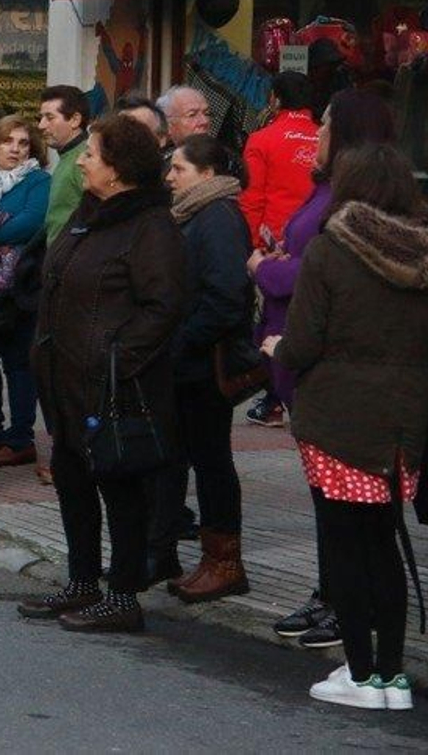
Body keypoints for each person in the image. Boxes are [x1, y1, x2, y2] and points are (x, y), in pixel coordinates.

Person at [265, 144, 428, 711]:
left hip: (337, 419)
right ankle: (392, 677)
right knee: (386, 545)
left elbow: (305, 341)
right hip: (404, 424)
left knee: (344, 549)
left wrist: (276, 347)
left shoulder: (331, 251)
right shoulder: (425, 253)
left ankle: (358, 672)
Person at [20, 114, 186, 633]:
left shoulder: (151, 227)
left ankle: (124, 595)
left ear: (116, 169)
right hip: (64, 376)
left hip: (114, 384)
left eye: (92, 154)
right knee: (72, 479)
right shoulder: (90, 214)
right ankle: (82, 581)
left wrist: (114, 358)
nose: (83, 162)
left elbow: (164, 306)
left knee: (120, 488)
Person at [251, 87, 397, 648]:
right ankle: (332, 593)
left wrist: (264, 268)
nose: (317, 134)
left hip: (338, 375)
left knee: (355, 509)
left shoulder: (358, 202)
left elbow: (320, 277)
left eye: (326, 124)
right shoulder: (327, 190)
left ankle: (355, 616)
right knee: (327, 498)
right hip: (302, 370)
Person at [157, 134, 252, 602]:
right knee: (189, 457)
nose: (170, 177)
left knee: (212, 462)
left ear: (208, 175)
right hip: (187, 364)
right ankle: (205, 559)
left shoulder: (217, 217)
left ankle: (225, 562)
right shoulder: (194, 214)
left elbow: (226, 296)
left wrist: (181, 342)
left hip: (204, 367)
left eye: (179, 169)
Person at [0, 115, 50, 468]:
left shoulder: (38, 181)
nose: (16, 149)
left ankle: (21, 439)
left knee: (18, 364)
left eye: (23, 143)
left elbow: (30, 221)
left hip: (20, 288)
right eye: (8, 141)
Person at [240, 71, 319, 244]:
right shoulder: (327, 140)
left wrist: (250, 247)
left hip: (273, 245)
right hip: (318, 242)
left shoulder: (260, 140)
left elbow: (251, 200)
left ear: (276, 99)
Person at [38, 85, 91, 243]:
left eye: (50, 117)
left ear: (75, 120)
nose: (41, 125)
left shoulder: (86, 158)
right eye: (41, 118)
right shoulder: (69, 156)